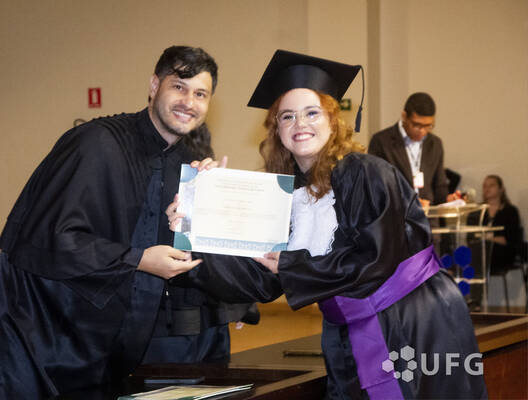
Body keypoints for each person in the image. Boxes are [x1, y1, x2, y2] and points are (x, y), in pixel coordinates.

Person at [173, 50, 487, 399]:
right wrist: (195, 223)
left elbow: (373, 261)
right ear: (276, 129)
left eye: (312, 113)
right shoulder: (287, 194)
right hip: (349, 327)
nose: (300, 124)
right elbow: (261, 276)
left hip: (410, 321)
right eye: (287, 116)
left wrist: (292, 265)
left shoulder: (364, 172)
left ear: (333, 121)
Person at [0, 45, 253, 399]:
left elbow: (173, 247)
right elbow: (53, 237)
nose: (188, 102)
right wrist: (139, 260)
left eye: (200, 94)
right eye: (178, 87)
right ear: (154, 85)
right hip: (34, 325)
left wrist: (211, 199)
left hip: (94, 336)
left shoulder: (188, 162)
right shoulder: (96, 142)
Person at [368, 92, 458, 207]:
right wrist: (408, 202)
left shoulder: (435, 144)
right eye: (417, 125)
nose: (422, 131)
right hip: (397, 215)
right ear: (404, 116)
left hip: (427, 215)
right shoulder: (381, 141)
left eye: (428, 126)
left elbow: (440, 187)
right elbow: (376, 186)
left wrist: (448, 199)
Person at [481, 175, 522, 273]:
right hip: (481, 252)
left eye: (491, 185)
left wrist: (486, 238)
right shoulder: (478, 211)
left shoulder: (510, 211)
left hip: (502, 253)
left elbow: (509, 239)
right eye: (485, 186)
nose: (487, 189)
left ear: (501, 189)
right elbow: (471, 237)